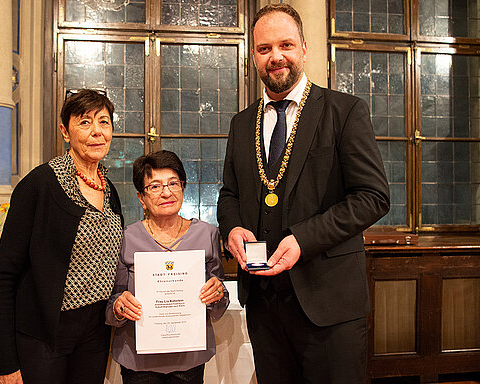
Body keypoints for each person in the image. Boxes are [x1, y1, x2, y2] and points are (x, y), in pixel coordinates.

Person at [217, 4, 390, 384]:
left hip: (328, 304)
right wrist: (231, 228)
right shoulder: (241, 122)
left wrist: (303, 239)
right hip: (264, 305)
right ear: (253, 57)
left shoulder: (344, 112)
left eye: (286, 45)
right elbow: (229, 194)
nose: (275, 56)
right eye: (264, 49)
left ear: (305, 49)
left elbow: (373, 196)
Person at [0, 89, 124, 384]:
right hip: (44, 334)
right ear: (65, 131)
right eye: (85, 123)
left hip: (95, 333)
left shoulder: (110, 190)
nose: (97, 132)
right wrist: (5, 362)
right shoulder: (38, 186)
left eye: (104, 122)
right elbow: (3, 277)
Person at [106, 150, 230, 384]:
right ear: (141, 197)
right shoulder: (126, 238)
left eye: (173, 183)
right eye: (155, 186)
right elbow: (112, 300)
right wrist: (119, 306)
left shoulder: (208, 234)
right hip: (138, 360)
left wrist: (217, 293)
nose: (166, 192)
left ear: (183, 188)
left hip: (189, 358)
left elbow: (220, 298)